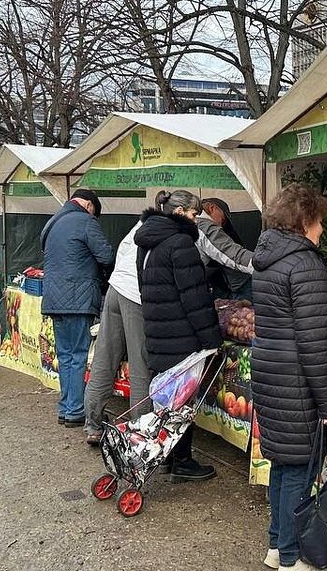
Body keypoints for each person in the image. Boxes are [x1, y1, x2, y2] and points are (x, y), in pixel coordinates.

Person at [250, 184, 327, 571]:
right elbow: (316, 343)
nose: (322, 230)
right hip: (298, 379)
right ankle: (292, 557)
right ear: (303, 222)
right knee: (300, 468)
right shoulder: (306, 266)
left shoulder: (268, 259)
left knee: (285, 464)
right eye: (318, 222)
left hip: (273, 372)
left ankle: (276, 546)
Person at [134, 189, 220, 481]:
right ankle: (182, 461)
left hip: (158, 331)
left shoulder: (146, 243)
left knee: (168, 400)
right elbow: (194, 298)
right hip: (181, 336)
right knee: (181, 399)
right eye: (195, 214)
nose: (197, 219)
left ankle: (171, 457)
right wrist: (211, 340)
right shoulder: (181, 243)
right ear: (181, 212)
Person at [40, 189, 115, 428]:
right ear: (89, 205)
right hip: (77, 299)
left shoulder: (51, 222)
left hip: (53, 298)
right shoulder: (86, 221)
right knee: (78, 355)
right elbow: (106, 256)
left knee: (65, 356)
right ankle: (75, 411)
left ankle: (66, 408)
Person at [84, 216, 147, 446]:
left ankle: (93, 425)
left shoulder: (139, 225)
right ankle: (140, 433)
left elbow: (120, 253)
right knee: (141, 366)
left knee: (104, 359)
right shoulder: (173, 228)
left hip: (115, 289)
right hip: (136, 297)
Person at [197, 197, 254, 300]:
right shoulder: (205, 226)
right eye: (222, 219)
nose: (222, 225)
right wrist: (263, 265)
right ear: (212, 208)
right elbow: (235, 255)